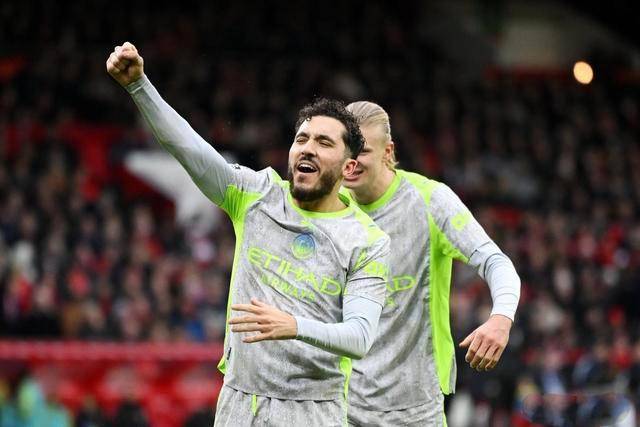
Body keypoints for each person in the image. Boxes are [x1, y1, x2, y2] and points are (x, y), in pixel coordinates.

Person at [106, 43, 390, 427]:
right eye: (302, 139)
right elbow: (189, 148)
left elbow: (359, 337)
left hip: (311, 409)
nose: (307, 149)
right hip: (239, 402)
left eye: (324, 143)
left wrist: (293, 326)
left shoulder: (367, 241)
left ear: (348, 167)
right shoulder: (256, 195)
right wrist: (139, 86)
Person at [342, 101, 521, 426]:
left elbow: (496, 261)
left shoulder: (430, 200)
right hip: (341, 405)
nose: (351, 161)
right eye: (345, 149)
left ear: (387, 151)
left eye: (362, 151)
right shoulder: (329, 205)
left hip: (415, 407)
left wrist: (501, 318)